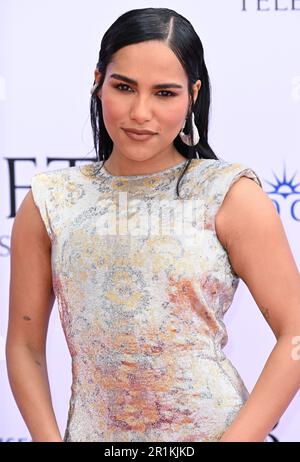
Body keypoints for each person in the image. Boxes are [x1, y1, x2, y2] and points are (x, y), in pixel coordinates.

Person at [6, 7, 300, 443]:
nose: (140, 112)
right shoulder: (53, 200)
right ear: (98, 81)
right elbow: (25, 345)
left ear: (192, 95)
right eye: (124, 87)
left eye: (164, 93)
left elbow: (295, 332)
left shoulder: (227, 193)